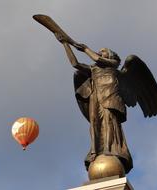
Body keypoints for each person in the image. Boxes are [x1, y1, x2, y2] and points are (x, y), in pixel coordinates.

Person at [55, 34, 133, 173]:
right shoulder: (94, 69)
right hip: (96, 98)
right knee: (94, 123)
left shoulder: (113, 65)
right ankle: (95, 150)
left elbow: (96, 58)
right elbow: (75, 64)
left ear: (110, 56)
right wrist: (65, 44)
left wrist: (85, 48)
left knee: (109, 123)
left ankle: (109, 149)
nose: (99, 52)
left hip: (110, 98)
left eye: (103, 51)